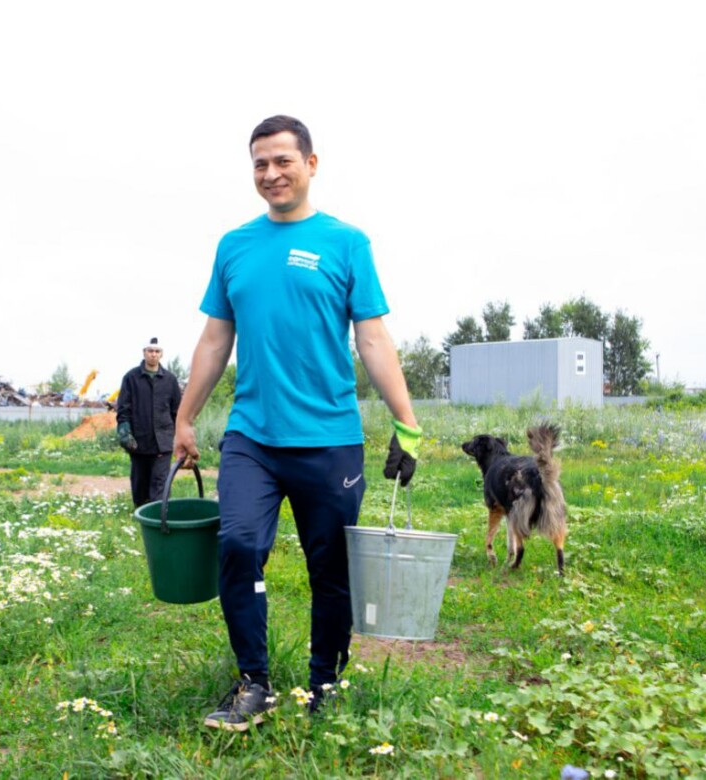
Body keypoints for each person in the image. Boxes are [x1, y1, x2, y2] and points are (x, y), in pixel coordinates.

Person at [172, 115, 422, 732]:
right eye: (260, 163)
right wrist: (184, 417)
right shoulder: (234, 246)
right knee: (238, 546)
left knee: (330, 572)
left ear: (311, 164)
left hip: (330, 440)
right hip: (251, 437)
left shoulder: (346, 243)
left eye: (283, 160)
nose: (271, 173)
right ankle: (253, 683)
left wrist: (407, 422)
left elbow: (372, 338)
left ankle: (325, 686)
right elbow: (214, 339)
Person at [116, 337, 184, 508]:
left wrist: (179, 436)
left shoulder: (170, 380)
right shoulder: (131, 378)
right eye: (150, 351)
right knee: (140, 483)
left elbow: (177, 411)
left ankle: (158, 516)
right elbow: (123, 409)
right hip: (139, 441)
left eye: (157, 351)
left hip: (163, 441)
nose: (154, 354)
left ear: (161, 354)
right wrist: (124, 431)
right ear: (144, 353)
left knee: (160, 483)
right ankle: (141, 513)